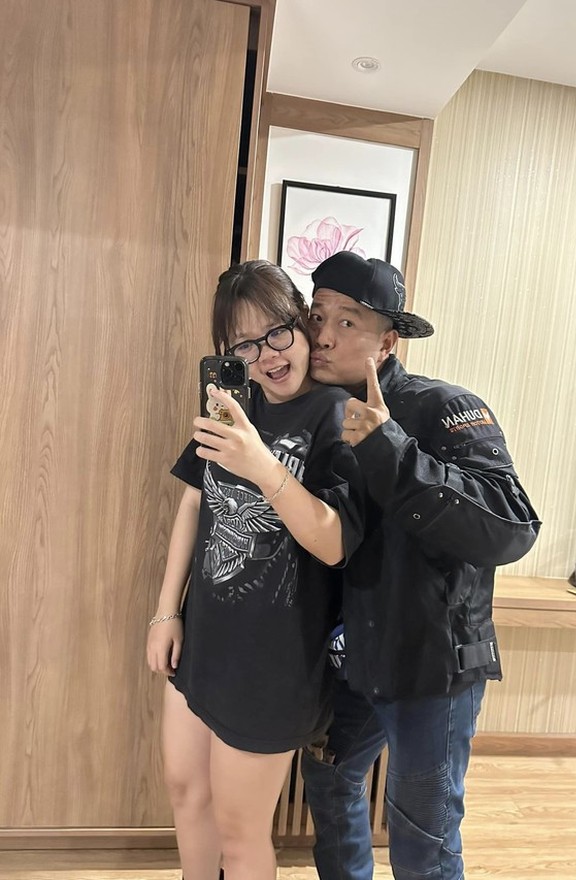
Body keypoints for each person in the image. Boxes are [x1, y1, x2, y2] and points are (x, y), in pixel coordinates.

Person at [301, 251, 541, 880]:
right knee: (327, 779)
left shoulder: (444, 407)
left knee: (422, 839)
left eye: (348, 322)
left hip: (433, 666)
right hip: (352, 658)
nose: (324, 335)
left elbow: (512, 526)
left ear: (388, 342)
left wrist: (390, 449)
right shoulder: (313, 412)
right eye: (317, 315)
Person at [146, 260, 364, 880]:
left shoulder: (337, 416)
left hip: (275, 663)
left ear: (302, 325)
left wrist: (262, 464)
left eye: (277, 331)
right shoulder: (233, 408)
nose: (266, 354)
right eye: (244, 343)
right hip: (203, 640)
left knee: (241, 834)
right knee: (187, 794)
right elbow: (195, 502)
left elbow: (335, 544)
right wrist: (165, 612)